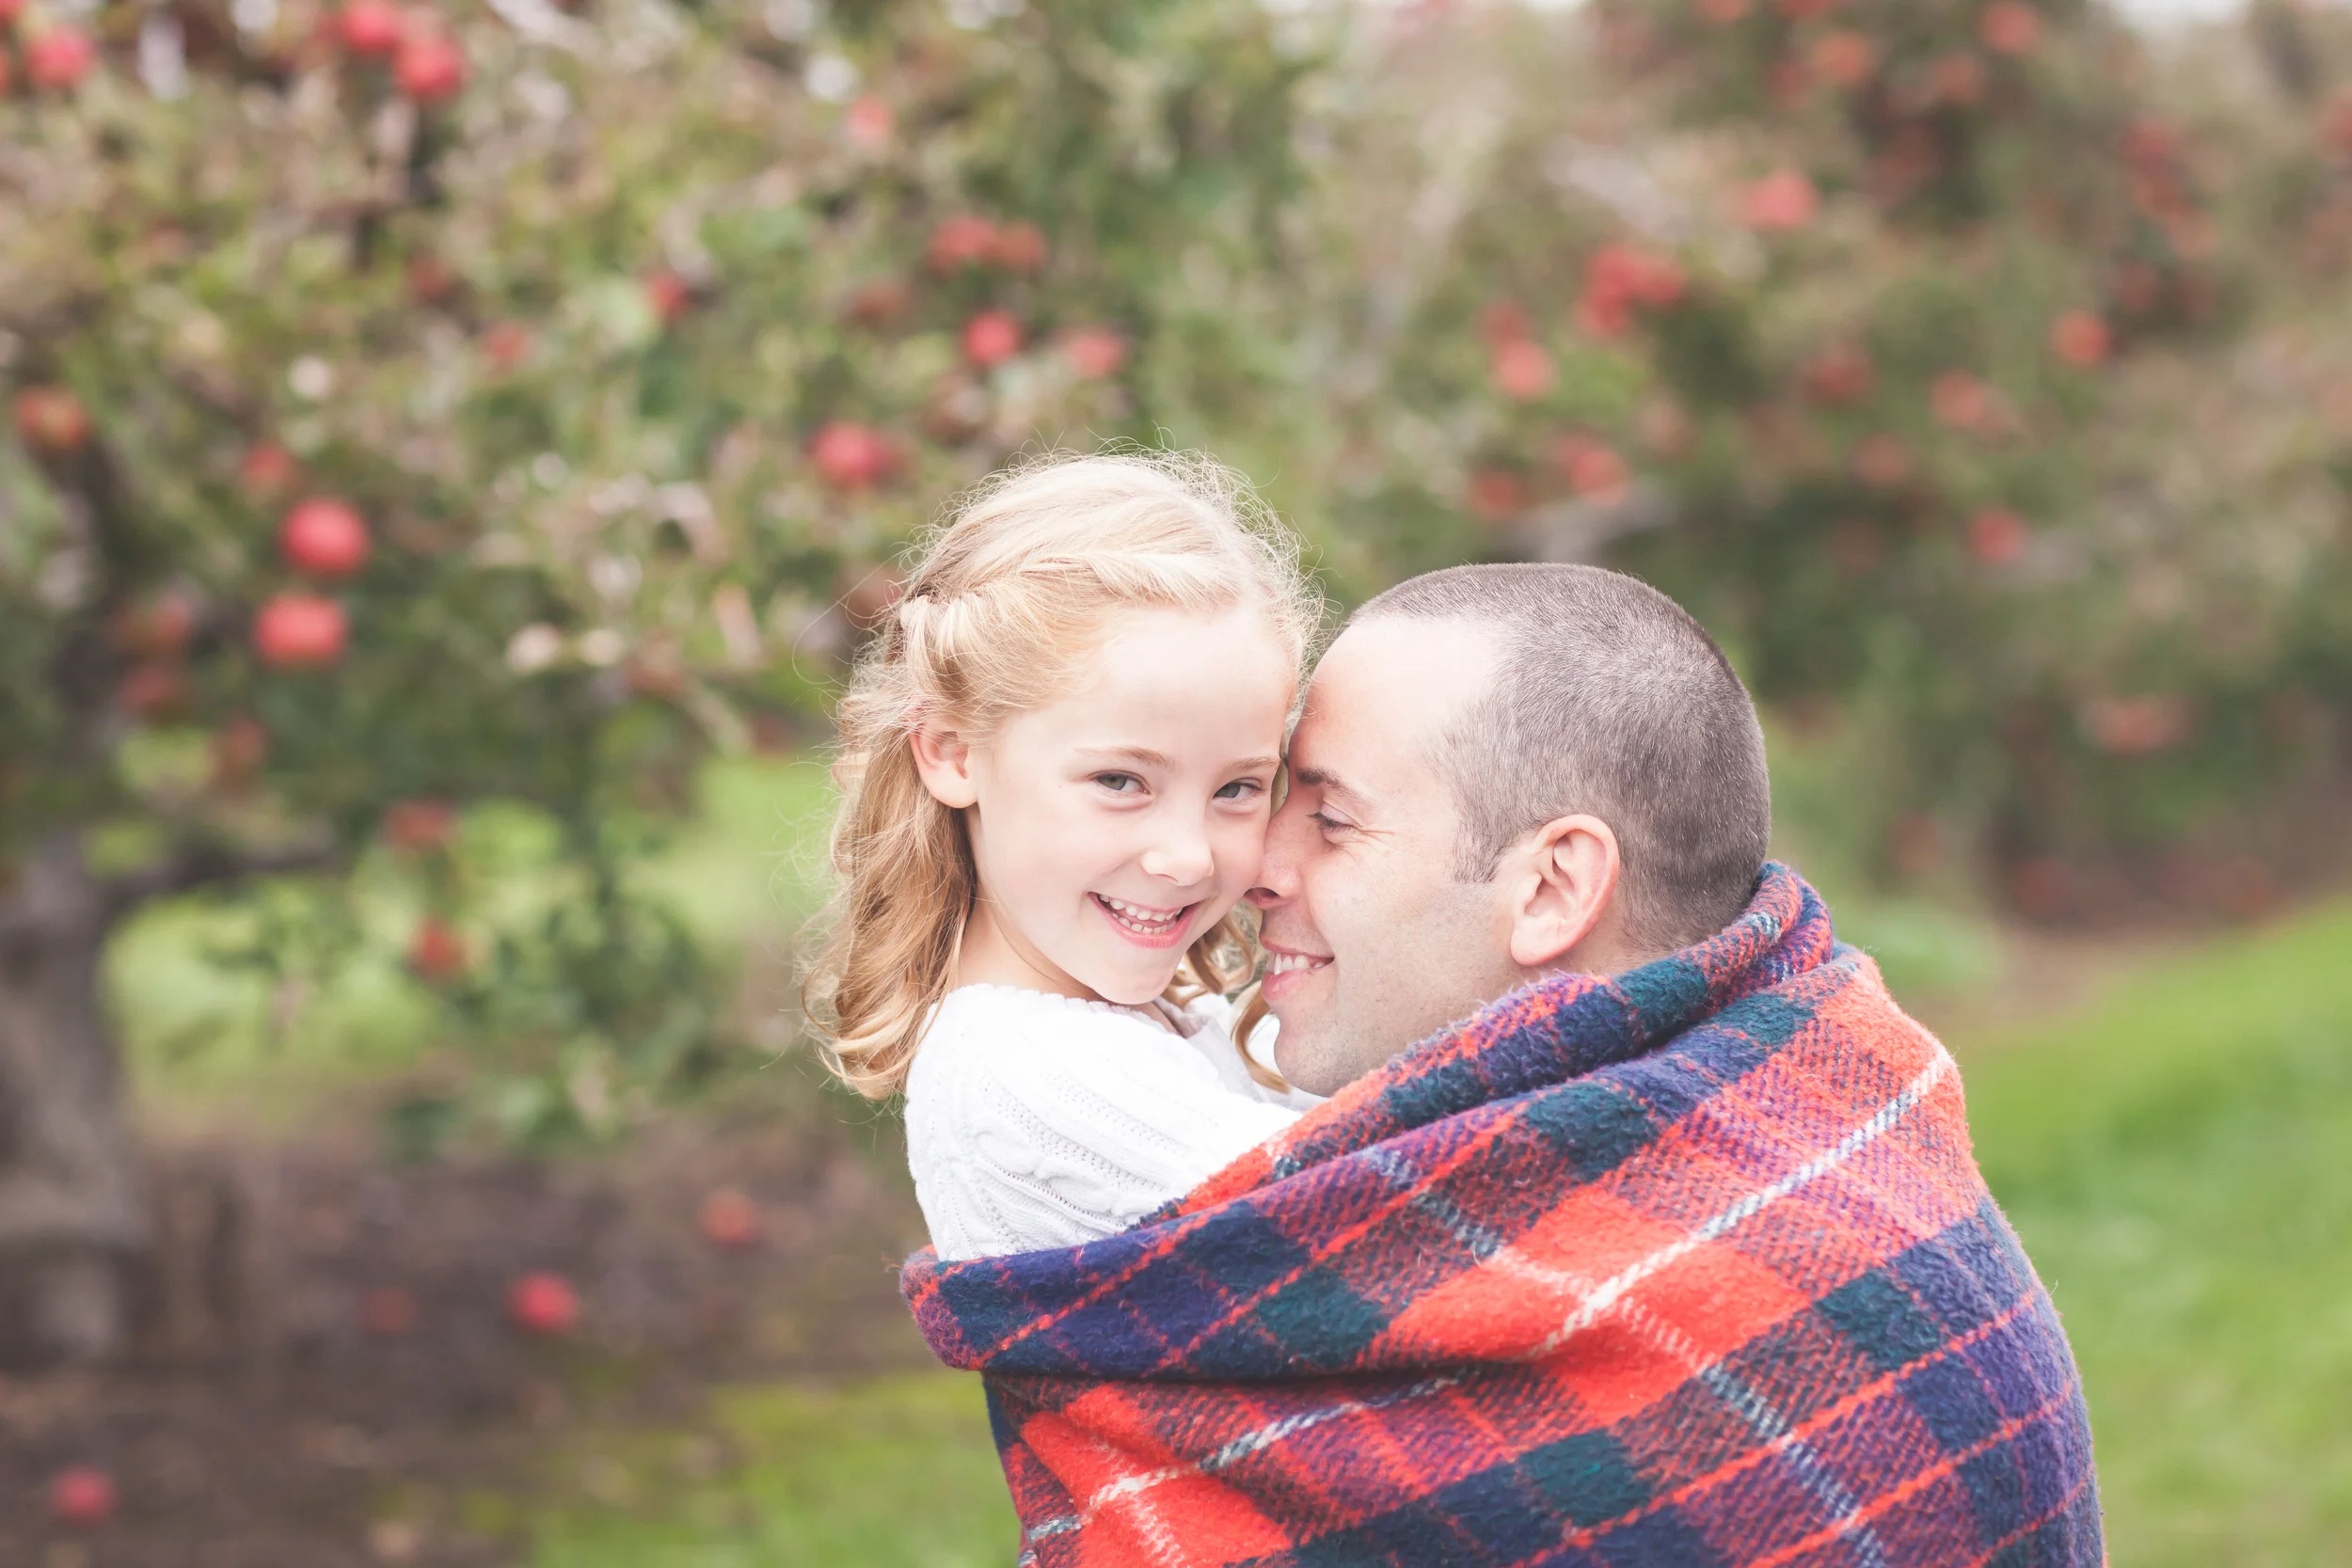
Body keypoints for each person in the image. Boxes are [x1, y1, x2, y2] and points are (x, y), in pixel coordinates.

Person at [903, 562, 2102, 1568]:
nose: (1247, 865)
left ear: (1549, 887)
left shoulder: (1784, 1296)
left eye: (1323, 815)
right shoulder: (1767, 1134)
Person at [803, 451, 1322, 1262]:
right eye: (1121, 780)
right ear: (952, 752)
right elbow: (1371, 1222)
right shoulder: (1025, 1074)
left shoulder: (1147, 1025)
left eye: (1238, 789)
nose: (1187, 858)